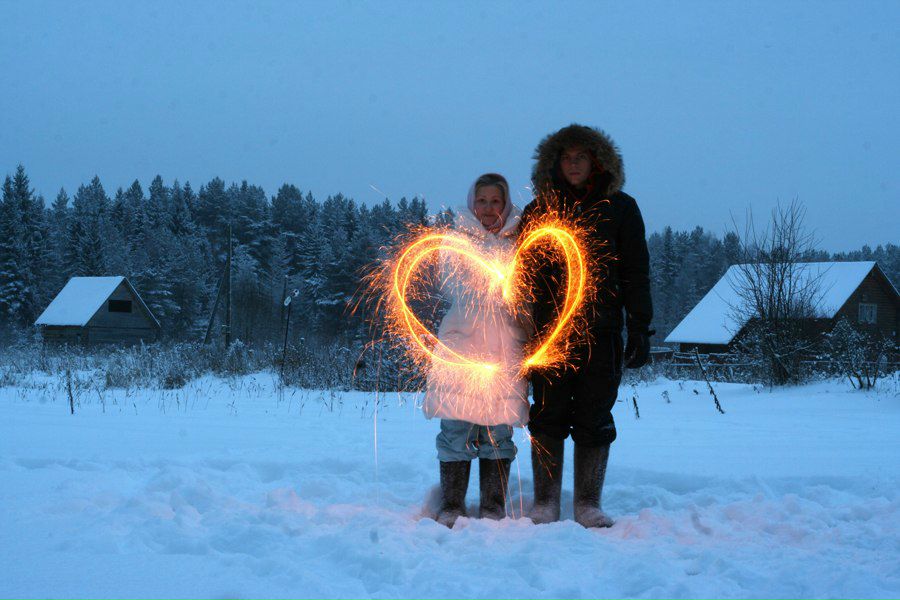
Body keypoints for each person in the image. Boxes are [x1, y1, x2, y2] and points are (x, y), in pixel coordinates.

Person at [520, 124, 653, 528]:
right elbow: (522, 275)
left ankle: (587, 503)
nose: (573, 164)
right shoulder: (539, 211)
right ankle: (545, 502)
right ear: (554, 163)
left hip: (602, 331)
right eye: (566, 157)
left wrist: (641, 327)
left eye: (581, 157)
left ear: (597, 161)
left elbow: (636, 271)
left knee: (595, 417)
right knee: (546, 415)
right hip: (548, 337)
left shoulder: (622, 208)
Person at [423, 173, 530, 528]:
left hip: (504, 352)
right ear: (472, 203)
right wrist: (493, 279)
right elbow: (455, 285)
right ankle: (452, 503)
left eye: (495, 201)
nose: (488, 208)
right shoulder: (456, 242)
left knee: (498, 433)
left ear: (506, 204)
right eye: (481, 201)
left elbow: (525, 293)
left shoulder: (519, 244)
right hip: (462, 351)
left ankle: (492, 506)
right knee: (456, 428)